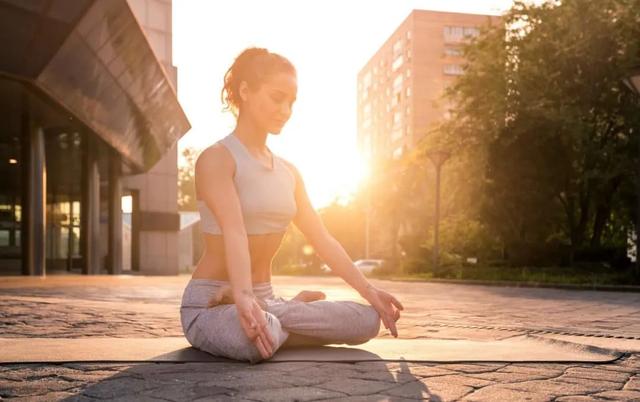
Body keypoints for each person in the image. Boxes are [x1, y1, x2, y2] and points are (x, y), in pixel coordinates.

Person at [180, 47, 404, 363]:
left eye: (292, 101)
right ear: (244, 90)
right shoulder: (217, 159)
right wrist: (242, 297)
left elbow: (322, 239)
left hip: (266, 300)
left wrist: (370, 292)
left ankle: (278, 313)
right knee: (255, 337)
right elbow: (235, 231)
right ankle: (278, 316)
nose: (285, 109)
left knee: (367, 321)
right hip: (210, 306)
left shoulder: (289, 172)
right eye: (277, 97)